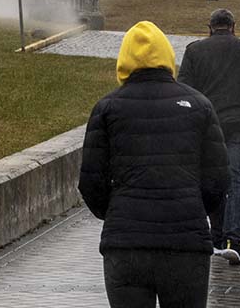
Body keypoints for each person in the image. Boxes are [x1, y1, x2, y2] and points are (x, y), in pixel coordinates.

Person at [80, 21, 230, 308]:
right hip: (186, 244)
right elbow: (218, 179)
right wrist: (194, 208)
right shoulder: (199, 105)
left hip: (126, 245)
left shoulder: (107, 109)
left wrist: (116, 212)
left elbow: (90, 181)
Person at [178, 8, 240, 266]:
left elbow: (184, 92)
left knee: (212, 180)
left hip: (208, 127)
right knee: (238, 180)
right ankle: (234, 241)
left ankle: (217, 238)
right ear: (234, 26)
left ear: (209, 27)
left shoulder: (194, 51)